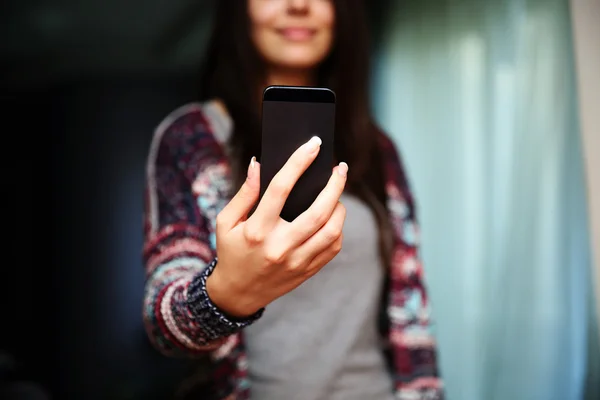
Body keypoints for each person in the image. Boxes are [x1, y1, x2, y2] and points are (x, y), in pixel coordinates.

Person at [142, 0, 443, 399]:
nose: (299, 5)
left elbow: (413, 316)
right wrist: (227, 295)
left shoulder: (378, 150)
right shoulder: (191, 139)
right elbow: (163, 320)